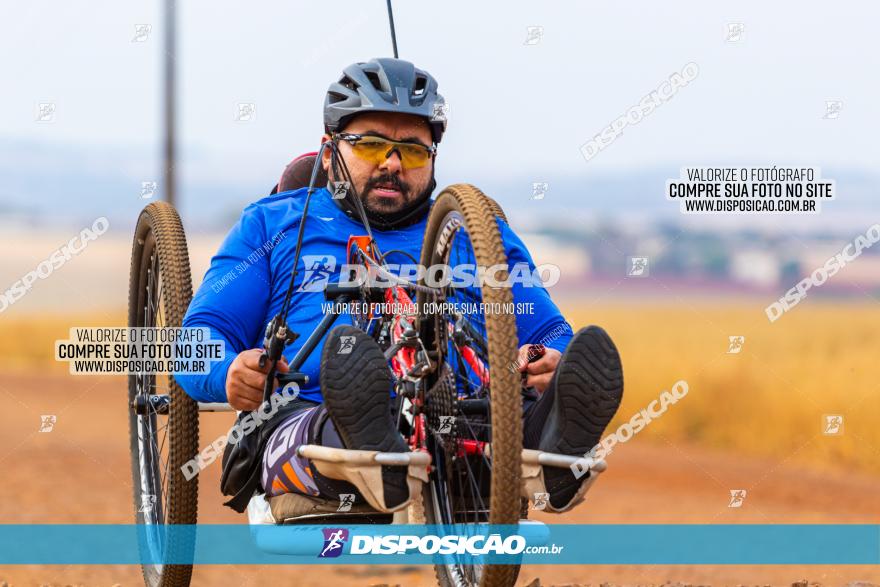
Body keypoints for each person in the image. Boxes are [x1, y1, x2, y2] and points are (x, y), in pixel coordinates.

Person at [176, 57, 624, 512]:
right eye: (371, 146)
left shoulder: (475, 230)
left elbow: (546, 331)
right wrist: (228, 374)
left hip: (471, 421)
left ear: (432, 161)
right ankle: (376, 447)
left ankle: (553, 455)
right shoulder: (271, 225)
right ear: (329, 152)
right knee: (346, 384)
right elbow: (198, 339)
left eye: (411, 151)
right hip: (312, 417)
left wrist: (554, 359)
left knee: (552, 386)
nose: (392, 163)